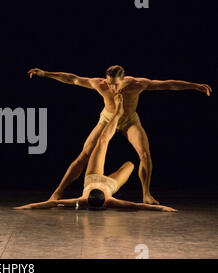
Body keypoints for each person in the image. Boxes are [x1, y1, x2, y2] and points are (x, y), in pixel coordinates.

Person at [28, 65, 212, 204]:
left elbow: (168, 85)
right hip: (107, 119)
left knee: (145, 154)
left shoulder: (136, 84)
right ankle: (58, 192)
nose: (112, 88)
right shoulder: (100, 84)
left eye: (115, 84)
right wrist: (45, 74)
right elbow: (72, 79)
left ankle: (146, 194)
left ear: (123, 80)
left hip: (129, 120)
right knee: (84, 155)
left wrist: (194, 86)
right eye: (109, 83)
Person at [14, 94, 177, 212]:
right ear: (106, 202)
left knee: (102, 140)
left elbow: (52, 204)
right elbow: (136, 206)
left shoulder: (82, 200)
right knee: (131, 165)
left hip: (92, 175)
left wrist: (26, 206)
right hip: (110, 185)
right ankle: (118, 116)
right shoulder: (111, 201)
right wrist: (163, 208)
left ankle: (117, 114)